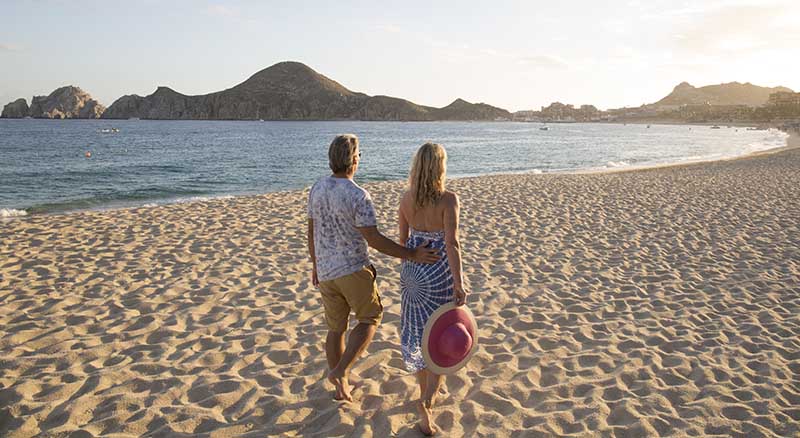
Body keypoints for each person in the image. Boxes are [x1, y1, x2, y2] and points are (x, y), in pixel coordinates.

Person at [307, 134, 439, 402]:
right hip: (353, 270)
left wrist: (315, 264)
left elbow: (311, 231)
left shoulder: (317, 188)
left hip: (326, 271)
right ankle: (340, 371)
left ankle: (340, 387)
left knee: (336, 328)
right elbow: (374, 239)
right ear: (353, 160)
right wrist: (411, 253)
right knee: (370, 318)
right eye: (359, 155)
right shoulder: (358, 196)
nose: (359, 159)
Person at [398, 142, 468, 435]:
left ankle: (425, 387)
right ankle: (426, 402)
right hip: (438, 274)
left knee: (417, 331)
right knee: (440, 338)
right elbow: (452, 243)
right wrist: (459, 281)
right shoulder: (448, 199)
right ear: (440, 167)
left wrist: (411, 262)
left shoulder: (405, 198)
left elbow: (402, 243)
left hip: (413, 275)